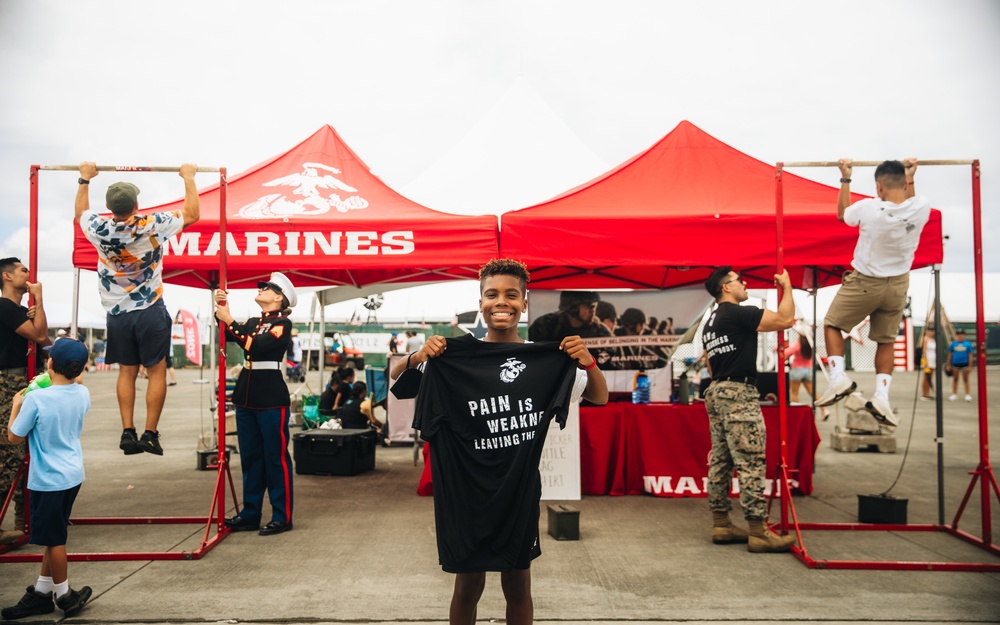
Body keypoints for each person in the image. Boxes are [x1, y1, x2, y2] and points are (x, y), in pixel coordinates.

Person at [391, 258, 607, 625]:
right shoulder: (452, 355)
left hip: (518, 492)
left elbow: (599, 397)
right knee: (467, 586)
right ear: (481, 303)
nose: (500, 301)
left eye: (511, 294)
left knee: (519, 586)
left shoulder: (545, 359)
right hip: (466, 494)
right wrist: (417, 356)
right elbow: (397, 382)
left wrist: (587, 362)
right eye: (491, 294)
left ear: (524, 303)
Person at [76, 161, 200, 456]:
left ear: (109, 207)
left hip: (117, 313)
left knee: (126, 372)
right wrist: (188, 178)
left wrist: (84, 179)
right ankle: (150, 433)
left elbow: (80, 212)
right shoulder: (151, 224)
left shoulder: (98, 227)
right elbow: (194, 213)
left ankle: (127, 431)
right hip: (149, 308)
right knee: (157, 371)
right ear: (136, 204)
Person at [816, 159, 930, 427]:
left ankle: (838, 378)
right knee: (885, 340)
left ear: (879, 186)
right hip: (898, 284)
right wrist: (911, 177)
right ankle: (882, 396)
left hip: (866, 281)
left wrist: (846, 177)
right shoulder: (921, 207)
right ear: (904, 183)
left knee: (832, 324)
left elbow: (842, 214)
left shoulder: (868, 208)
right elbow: (908, 203)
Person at [702, 267, 796, 553]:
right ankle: (758, 530)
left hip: (717, 390)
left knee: (722, 459)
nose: (745, 284)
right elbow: (785, 319)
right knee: (751, 460)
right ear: (726, 288)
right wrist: (787, 287)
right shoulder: (736, 312)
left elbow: (709, 361)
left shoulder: (711, 321)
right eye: (739, 281)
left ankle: (721, 523)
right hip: (737, 393)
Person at [3, 338, 92, 619]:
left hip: (48, 480)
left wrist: (18, 403)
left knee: (54, 540)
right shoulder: (83, 393)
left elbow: (14, 436)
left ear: (50, 364)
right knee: (53, 534)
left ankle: (64, 595)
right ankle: (41, 593)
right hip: (72, 474)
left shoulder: (35, 400)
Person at [214, 272, 297, 536]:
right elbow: (227, 334)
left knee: (276, 459)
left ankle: (282, 516)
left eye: (268, 288)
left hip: (271, 397)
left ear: (278, 297)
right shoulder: (252, 321)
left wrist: (229, 321)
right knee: (250, 458)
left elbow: (255, 346)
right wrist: (221, 307)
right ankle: (250, 513)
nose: (261, 289)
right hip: (246, 396)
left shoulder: (282, 324)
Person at [0, 257, 49, 545]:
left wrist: (35, 308)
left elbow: (42, 340)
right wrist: (39, 300)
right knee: (9, 453)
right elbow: (40, 334)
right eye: (22, 270)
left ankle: (24, 520)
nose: (28, 274)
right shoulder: (5, 307)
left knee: (25, 454)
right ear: (6, 276)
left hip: (20, 382)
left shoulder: (19, 310)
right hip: (8, 384)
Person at [782, 334, 829, 418]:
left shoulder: (797, 345)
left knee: (794, 394)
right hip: (808, 370)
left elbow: (786, 353)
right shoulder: (811, 345)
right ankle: (824, 409)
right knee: (812, 392)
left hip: (797, 370)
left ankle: (796, 414)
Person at [948, 329, 974, 402]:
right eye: (959, 335)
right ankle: (954, 394)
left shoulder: (968, 344)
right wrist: (948, 365)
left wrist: (970, 366)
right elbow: (950, 354)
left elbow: (970, 355)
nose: (960, 336)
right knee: (955, 379)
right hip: (955, 363)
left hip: (965, 364)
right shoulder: (953, 344)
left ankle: (967, 394)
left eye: (962, 335)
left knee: (965, 379)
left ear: (964, 335)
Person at [919, 325, 936, 401]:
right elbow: (924, 350)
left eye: (932, 331)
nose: (931, 332)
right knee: (926, 377)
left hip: (932, 359)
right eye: (929, 330)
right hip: (927, 359)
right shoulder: (925, 339)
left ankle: (928, 393)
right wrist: (926, 361)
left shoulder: (933, 340)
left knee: (930, 377)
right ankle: (924, 393)